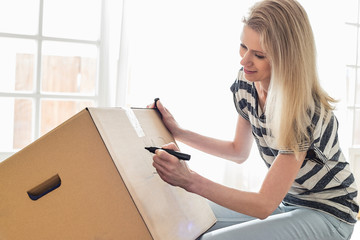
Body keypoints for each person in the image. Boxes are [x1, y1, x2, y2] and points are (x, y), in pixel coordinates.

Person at [147, 0, 359, 239]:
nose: (244, 61)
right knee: (188, 218)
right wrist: (179, 132)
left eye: (258, 55)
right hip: (290, 202)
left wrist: (189, 180)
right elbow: (238, 151)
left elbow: (263, 205)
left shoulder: (303, 111)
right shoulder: (246, 84)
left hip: (331, 213)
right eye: (243, 46)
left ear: (287, 59)